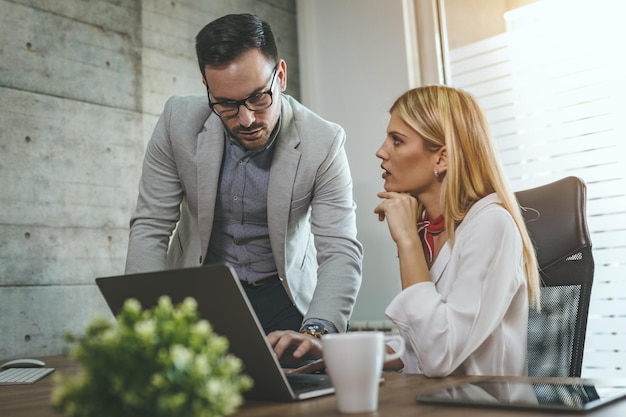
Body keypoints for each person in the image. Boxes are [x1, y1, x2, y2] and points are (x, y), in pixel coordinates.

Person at [268, 85, 540, 377]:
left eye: (397, 141)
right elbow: (419, 341)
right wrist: (329, 351)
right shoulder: (430, 227)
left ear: (442, 158)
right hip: (434, 399)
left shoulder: (491, 225)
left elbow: (438, 355)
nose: (381, 151)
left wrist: (408, 240)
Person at [124, 13, 363, 339]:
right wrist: (141, 322)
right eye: (226, 104)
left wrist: (317, 331)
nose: (247, 118)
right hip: (200, 297)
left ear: (280, 76)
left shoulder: (323, 142)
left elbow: (339, 249)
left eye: (258, 97)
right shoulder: (177, 121)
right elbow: (151, 225)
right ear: (207, 88)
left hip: (285, 300)